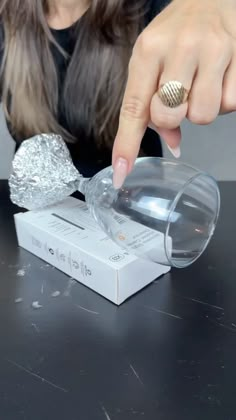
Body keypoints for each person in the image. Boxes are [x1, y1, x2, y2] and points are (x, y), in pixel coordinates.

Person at [0, 0, 236, 184]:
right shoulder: (6, 18)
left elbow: (200, 21)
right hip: (33, 222)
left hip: (132, 213)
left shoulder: (145, 8)